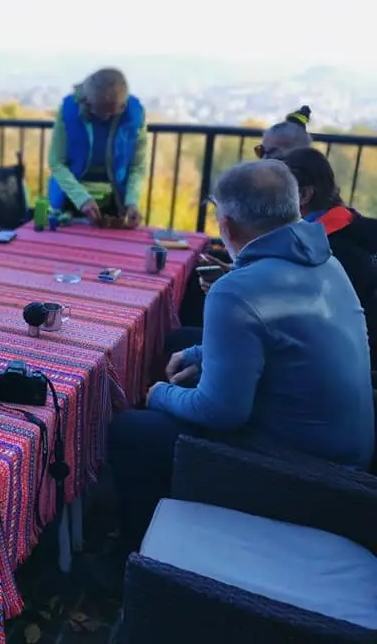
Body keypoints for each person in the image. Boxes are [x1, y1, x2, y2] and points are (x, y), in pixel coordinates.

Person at [110, 159, 374, 557]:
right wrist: (199, 352)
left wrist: (157, 393)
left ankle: (136, 559)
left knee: (131, 430)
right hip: (348, 455)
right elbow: (280, 336)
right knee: (182, 352)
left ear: (228, 226)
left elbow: (220, 412)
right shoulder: (325, 260)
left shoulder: (237, 290)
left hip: (307, 474)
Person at [176, 105, 316, 328]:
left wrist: (235, 283)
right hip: (263, 303)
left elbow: (286, 293)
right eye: (261, 151)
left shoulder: (309, 220)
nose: (263, 160)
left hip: (271, 330)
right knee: (196, 274)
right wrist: (233, 273)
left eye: (272, 153)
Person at [282, 146, 377, 369]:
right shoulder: (362, 227)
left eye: (277, 193)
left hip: (335, 360)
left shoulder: (320, 250)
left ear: (304, 195)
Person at [47, 68, 148, 229]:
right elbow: (57, 162)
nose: (106, 118)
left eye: (112, 113)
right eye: (101, 111)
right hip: (71, 199)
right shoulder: (69, 109)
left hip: (115, 202)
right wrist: (82, 199)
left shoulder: (136, 114)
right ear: (88, 101)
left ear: (123, 105)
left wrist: (132, 201)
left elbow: (137, 166)